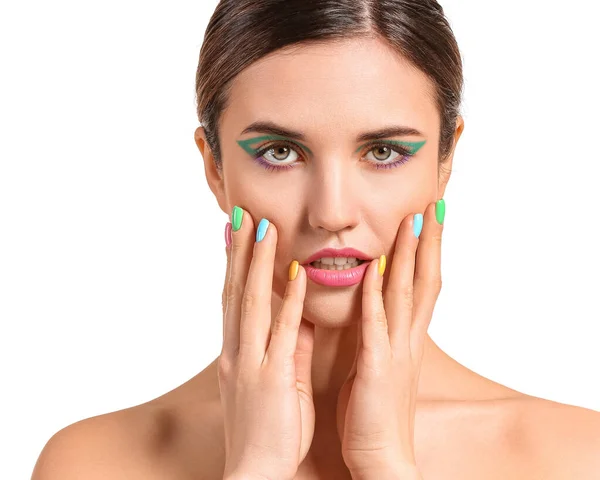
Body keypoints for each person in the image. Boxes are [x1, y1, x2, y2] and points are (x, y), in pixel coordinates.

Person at [31, 1, 600, 479]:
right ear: (215, 168)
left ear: (446, 160)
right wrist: (256, 465)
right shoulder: (92, 462)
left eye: (384, 152)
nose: (332, 213)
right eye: (280, 152)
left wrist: (385, 462)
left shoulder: (574, 456)